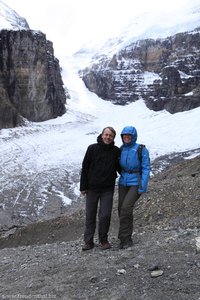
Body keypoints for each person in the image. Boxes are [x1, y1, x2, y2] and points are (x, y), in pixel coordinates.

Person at [80, 126, 121, 251]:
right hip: (92, 188)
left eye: (111, 136)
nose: (108, 137)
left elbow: (119, 167)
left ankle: (103, 240)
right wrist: (83, 186)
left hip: (107, 189)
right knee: (90, 215)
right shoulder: (92, 148)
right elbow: (85, 167)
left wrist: (132, 174)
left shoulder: (115, 151)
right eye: (106, 134)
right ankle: (88, 242)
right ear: (102, 135)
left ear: (113, 138)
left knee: (105, 215)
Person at [118, 126, 150, 249]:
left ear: (133, 136)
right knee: (121, 209)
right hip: (123, 182)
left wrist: (142, 186)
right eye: (124, 136)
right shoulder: (122, 149)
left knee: (126, 208)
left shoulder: (141, 149)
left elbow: (146, 168)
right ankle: (125, 237)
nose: (126, 138)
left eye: (128, 135)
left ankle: (125, 239)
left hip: (135, 183)